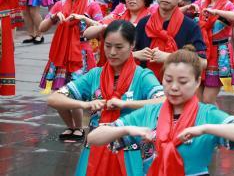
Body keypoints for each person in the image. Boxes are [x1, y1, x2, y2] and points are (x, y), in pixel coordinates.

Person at [87, 47, 234, 175]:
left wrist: (204, 129)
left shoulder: (206, 114)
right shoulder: (149, 113)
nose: (174, 87)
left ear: (198, 82)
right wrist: (127, 129)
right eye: (168, 80)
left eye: (183, 82)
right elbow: (93, 138)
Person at [47, 21, 164, 174]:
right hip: (96, 149)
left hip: (132, 153)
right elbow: (54, 99)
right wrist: (85, 105)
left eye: (119, 47)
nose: (112, 52)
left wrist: (124, 104)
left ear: (132, 45)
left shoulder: (142, 76)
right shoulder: (95, 75)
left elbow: (163, 101)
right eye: (108, 46)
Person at [38, 0, 104, 139]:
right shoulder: (60, 4)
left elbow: (101, 27)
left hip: (81, 55)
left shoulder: (91, 4)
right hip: (61, 55)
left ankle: (79, 128)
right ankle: (71, 126)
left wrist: (83, 18)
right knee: (59, 94)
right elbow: (41, 28)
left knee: (75, 93)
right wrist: (52, 18)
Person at [133, 0, 207, 81]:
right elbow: (126, 53)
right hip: (145, 85)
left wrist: (169, 57)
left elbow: (203, 62)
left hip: (178, 85)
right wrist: (136, 54)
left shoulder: (190, 26)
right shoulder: (143, 23)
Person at [183, 0, 234, 102]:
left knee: (208, 100)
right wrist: (188, 7)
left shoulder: (228, 5)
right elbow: (176, 14)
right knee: (197, 100)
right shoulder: (200, 3)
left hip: (219, 55)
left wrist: (216, 12)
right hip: (200, 53)